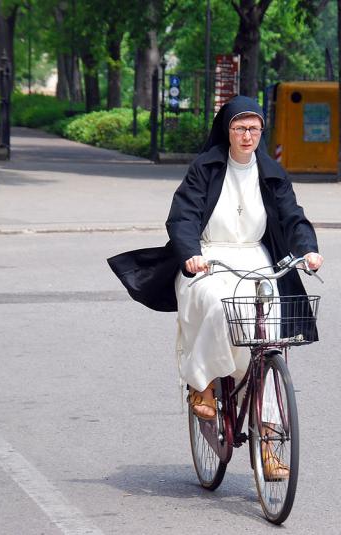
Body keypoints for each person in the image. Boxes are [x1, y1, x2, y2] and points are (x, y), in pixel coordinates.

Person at [107, 96, 323, 477]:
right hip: (209, 256)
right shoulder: (204, 168)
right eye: (240, 128)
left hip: (256, 257)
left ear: (261, 132)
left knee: (271, 341)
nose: (246, 135)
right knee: (218, 303)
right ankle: (202, 383)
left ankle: (271, 444)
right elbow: (183, 217)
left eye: (254, 129)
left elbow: (293, 216)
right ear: (227, 130)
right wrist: (189, 253)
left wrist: (308, 250)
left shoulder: (271, 172)